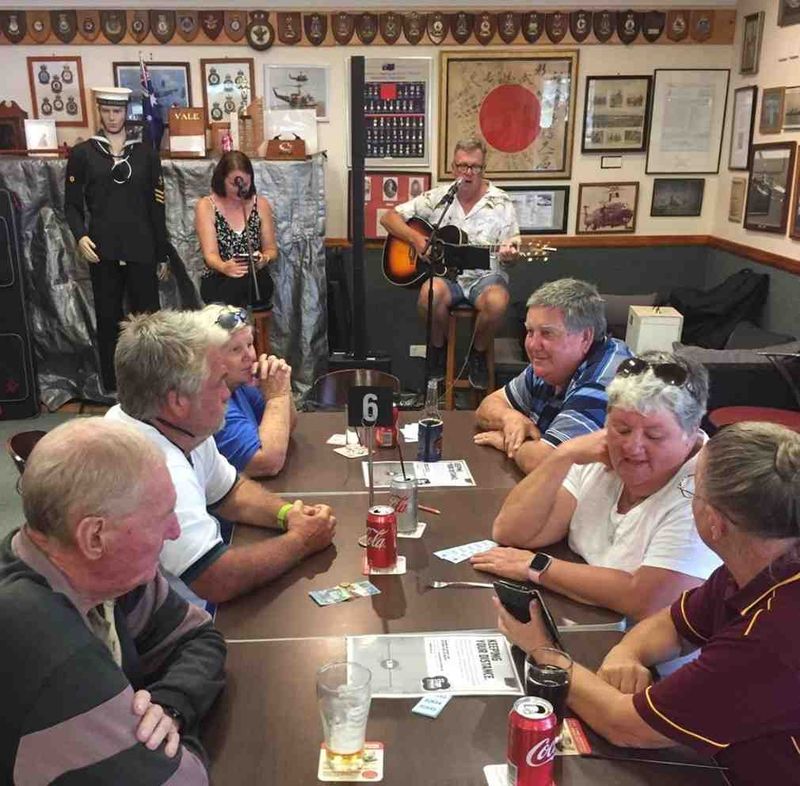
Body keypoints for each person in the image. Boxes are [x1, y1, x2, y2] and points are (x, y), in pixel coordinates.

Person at [497, 421, 800, 786]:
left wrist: (544, 653)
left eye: (692, 490)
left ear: (716, 523)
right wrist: (627, 653)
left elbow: (625, 726)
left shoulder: (772, 636)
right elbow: (674, 623)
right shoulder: (758, 564)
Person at [1, 418, 225, 783]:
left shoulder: (106, 575)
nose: (174, 531)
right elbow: (185, 781)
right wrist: (169, 742)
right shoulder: (46, 644)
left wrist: (169, 706)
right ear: (94, 537)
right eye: (162, 516)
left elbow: (198, 637)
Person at [105, 310, 335, 604]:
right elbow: (215, 579)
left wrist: (288, 514)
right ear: (178, 401)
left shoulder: (180, 427)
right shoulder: (157, 471)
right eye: (218, 383)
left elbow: (231, 492)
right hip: (171, 621)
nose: (227, 394)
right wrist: (302, 541)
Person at [472, 352, 720, 621]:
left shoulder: (705, 492)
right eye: (622, 429)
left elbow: (647, 598)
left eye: (654, 435)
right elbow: (514, 532)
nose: (632, 447)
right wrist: (563, 456)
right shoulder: (599, 452)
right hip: (584, 620)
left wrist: (537, 567)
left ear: (691, 433)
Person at [380, 137, 519, 389]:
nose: (468, 172)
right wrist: (416, 239)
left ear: (483, 168)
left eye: (475, 166)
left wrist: (511, 255)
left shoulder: (501, 202)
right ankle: (439, 348)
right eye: (462, 165)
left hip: (486, 278)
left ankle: (477, 353)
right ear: (453, 167)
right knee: (429, 295)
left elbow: (512, 248)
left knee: (497, 301)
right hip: (447, 277)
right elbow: (388, 218)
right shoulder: (438, 198)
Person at [65, 86, 168, 392]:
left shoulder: (146, 154)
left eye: (117, 111)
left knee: (148, 321)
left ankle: (152, 384)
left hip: (141, 246)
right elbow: (71, 205)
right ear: (99, 111)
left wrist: (162, 252)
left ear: (126, 112)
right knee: (109, 318)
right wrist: (80, 236)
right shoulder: (83, 154)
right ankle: (115, 387)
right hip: (103, 248)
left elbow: (157, 206)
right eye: (106, 111)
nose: (112, 117)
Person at [474, 279, 631, 473]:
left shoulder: (605, 381)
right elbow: (488, 406)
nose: (533, 345)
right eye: (530, 332)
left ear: (585, 337)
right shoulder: (551, 365)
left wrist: (509, 443)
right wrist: (510, 418)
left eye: (547, 333)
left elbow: (545, 462)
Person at [198, 303, 297, 477]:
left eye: (250, 344)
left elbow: (286, 426)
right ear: (209, 357)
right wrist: (277, 395)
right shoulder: (211, 403)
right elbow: (267, 463)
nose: (250, 356)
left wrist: (281, 385)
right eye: (236, 350)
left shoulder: (239, 384)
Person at [195, 150, 278, 309]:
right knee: (233, 287)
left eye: (245, 184)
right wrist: (225, 267)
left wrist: (264, 259)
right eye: (234, 184)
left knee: (253, 283)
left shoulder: (260, 205)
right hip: (221, 276)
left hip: (254, 277)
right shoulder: (206, 206)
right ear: (221, 180)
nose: (241, 190)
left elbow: (272, 249)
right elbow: (210, 255)